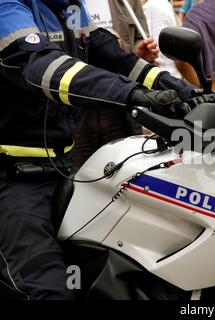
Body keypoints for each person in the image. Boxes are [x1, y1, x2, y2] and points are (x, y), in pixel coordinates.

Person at [0, 0, 193, 299]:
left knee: (134, 263)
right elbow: (42, 67)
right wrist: (131, 95)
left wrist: (185, 92)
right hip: (12, 178)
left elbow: (117, 60)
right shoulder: (9, 8)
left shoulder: (70, 8)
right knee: (49, 287)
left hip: (63, 168)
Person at [75, 0, 160, 168]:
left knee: (122, 173)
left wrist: (138, 53)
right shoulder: (60, 4)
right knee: (75, 178)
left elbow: (138, 38)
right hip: (76, 109)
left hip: (119, 106)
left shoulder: (128, 2)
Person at [141, 0, 182, 78]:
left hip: (164, 74)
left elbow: (159, 43)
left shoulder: (157, 5)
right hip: (164, 74)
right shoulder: (158, 5)